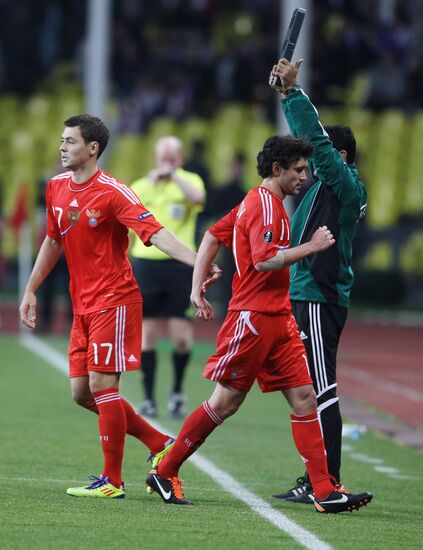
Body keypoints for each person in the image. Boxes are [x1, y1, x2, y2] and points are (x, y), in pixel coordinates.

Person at [145, 134, 373, 514]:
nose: (305, 176)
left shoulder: (257, 201)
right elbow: (265, 260)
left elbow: (212, 235)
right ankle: (166, 470)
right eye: (298, 169)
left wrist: (195, 288)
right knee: (226, 402)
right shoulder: (266, 207)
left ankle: (324, 490)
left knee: (304, 398)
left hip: (278, 317)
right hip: (252, 319)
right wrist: (311, 247)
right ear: (277, 169)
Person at [19, 114, 219, 499]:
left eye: (70, 142)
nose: (62, 148)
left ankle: (112, 481)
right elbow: (53, 240)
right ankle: (159, 440)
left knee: (103, 385)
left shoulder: (114, 193)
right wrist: (30, 289)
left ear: (93, 148)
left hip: (115, 299)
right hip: (83, 306)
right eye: (61, 141)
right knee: (82, 393)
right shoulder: (56, 187)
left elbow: (155, 234)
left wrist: (200, 261)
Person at [269, 59, 368, 503]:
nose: (307, 166)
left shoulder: (344, 186)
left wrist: (292, 94)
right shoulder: (324, 190)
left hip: (318, 298)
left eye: (319, 156)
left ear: (339, 157)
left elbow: (320, 150)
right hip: (310, 294)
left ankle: (326, 481)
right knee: (310, 387)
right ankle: (317, 479)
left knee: (321, 388)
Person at [130, 136, 206, 419]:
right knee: (147, 335)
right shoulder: (142, 185)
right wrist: (155, 178)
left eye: (172, 158)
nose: (166, 163)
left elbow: (197, 200)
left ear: (180, 159)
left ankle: (176, 390)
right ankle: (149, 398)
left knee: (181, 337)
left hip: (180, 265)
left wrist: (173, 175)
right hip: (146, 265)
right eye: (163, 158)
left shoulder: (190, 181)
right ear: (155, 158)